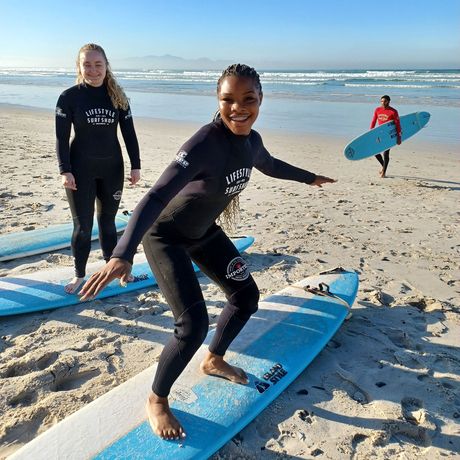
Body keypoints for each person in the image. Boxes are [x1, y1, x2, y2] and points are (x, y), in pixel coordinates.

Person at [80, 64, 336, 440]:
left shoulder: (252, 141)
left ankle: (214, 359)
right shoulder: (204, 143)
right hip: (164, 236)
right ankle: (157, 399)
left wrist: (308, 177)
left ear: (261, 99)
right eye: (228, 99)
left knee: (246, 296)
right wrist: (123, 250)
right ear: (218, 100)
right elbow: (155, 195)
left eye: (248, 99)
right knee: (192, 325)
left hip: (203, 232)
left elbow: (268, 165)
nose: (238, 108)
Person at [55, 43, 141, 294]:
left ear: (106, 66)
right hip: (80, 170)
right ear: (79, 67)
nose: (93, 70)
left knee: (108, 223)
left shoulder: (118, 96)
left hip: (112, 168)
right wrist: (65, 170)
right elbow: (61, 138)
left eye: (98, 64)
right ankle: (79, 276)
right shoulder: (69, 97)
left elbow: (129, 134)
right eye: (87, 65)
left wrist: (136, 166)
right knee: (82, 226)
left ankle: (113, 270)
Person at [370, 95, 401, 178]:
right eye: (381, 101)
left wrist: (399, 136)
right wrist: (370, 132)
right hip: (380, 134)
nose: (383, 103)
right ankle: (383, 167)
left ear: (388, 101)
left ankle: (383, 172)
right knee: (375, 152)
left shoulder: (393, 111)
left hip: (389, 135)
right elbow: (373, 121)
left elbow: (398, 124)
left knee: (386, 153)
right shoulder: (377, 110)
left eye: (385, 101)